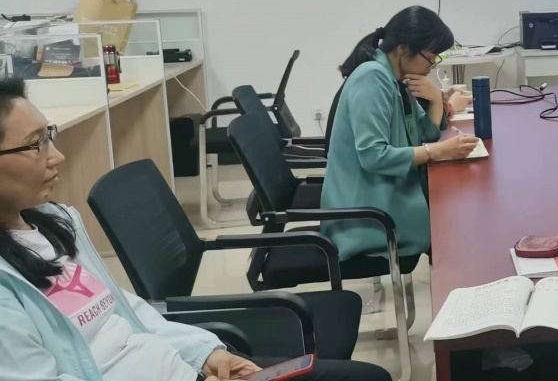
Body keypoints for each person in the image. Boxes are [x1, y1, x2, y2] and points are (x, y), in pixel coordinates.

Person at [0, 78, 389, 381]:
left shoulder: (55, 223)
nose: (57, 156)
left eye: (49, 136)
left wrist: (207, 354)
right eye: (35, 145)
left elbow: (130, 313)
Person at [323, 6, 481, 261]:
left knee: (460, 211)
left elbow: (425, 134)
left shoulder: (397, 78)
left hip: (387, 195)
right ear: (403, 49)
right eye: (430, 57)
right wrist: (437, 152)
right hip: (369, 214)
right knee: (460, 223)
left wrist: (435, 99)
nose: (431, 66)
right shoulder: (372, 78)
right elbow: (373, 156)